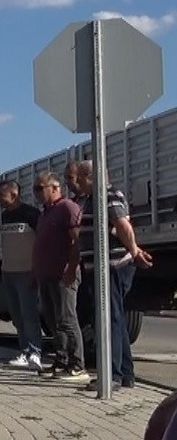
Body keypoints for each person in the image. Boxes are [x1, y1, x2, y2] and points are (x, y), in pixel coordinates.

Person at [66, 160, 154, 391]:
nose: (78, 182)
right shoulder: (90, 199)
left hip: (113, 267)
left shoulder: (109, 195)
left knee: (110, 320)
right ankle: (126, 374)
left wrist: (134, 252)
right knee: (115, 319)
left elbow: (122, 224)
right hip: (100, 267)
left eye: (81, 177)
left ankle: (112, 375)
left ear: (92, 177)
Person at [32, 172, 88, 381]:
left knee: (67, 319)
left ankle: (77, 364)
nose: (37, 193)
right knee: (53, 321)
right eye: (35, 189)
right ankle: (61, 360)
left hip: (63, 275)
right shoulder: (45, 213)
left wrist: (71, 269)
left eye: (40, 188)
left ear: (55, 188)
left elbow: (77, 242)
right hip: (46, 275)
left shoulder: (67, 208)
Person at [0, 179, 43, 371]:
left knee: (29, 314)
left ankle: (35, 352)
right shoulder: (4, 216)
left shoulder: (31, 214)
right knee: (17, 316)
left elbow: (42, 241)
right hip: (9, 273)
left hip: (27, 273)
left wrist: (37, 269)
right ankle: (24, 351)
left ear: (14, 195)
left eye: (2, 195)